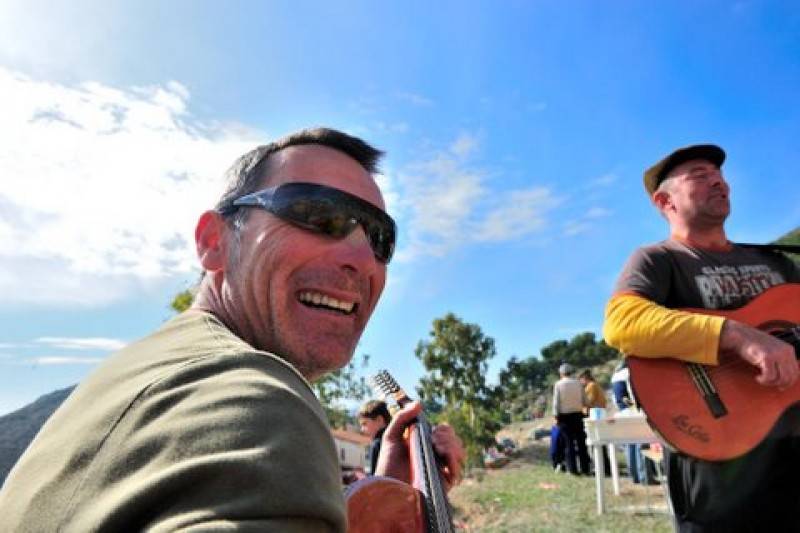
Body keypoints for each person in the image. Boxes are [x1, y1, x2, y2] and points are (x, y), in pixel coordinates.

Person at [0, 127, 465, 531]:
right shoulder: (261, 402)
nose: (364, 260)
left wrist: (388, 498)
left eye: (380, 238)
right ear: (213, 242)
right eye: (320, 215)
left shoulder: (138, 372)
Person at [603, 144, 800, 532]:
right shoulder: (658, 260)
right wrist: (737, 336)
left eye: (719, 174)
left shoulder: (777, 262)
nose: (717, 180)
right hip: (714, 461)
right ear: (665, 201)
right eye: (698, 175)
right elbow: (622, 323)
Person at [552, 362, 591, 475]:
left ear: (561, 374)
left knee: (569, 444)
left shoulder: (558, 384)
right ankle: (585, 468)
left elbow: (556, 403)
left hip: (565, 417)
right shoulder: (578, 383)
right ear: (571, 372)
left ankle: (573, 469)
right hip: (578, 415)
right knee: (581, 443)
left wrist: (556, 417)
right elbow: (586, 401)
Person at [579, 369, 610, 474]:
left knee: (596, 442)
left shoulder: (591, 386)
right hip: (599, 414)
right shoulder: (595, 385)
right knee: (600, 442)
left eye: (581, 380)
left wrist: (580, 407)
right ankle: (603, 466)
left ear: (585, 379)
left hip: (595, 416)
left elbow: (589, 402)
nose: (580, 382)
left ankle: (601, 467)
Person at [358, 399, 392, 475]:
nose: (362, 429)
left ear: (379, 420)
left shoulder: (377, 444)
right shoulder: (396, 440)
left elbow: (374, 479)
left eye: (364, 424)